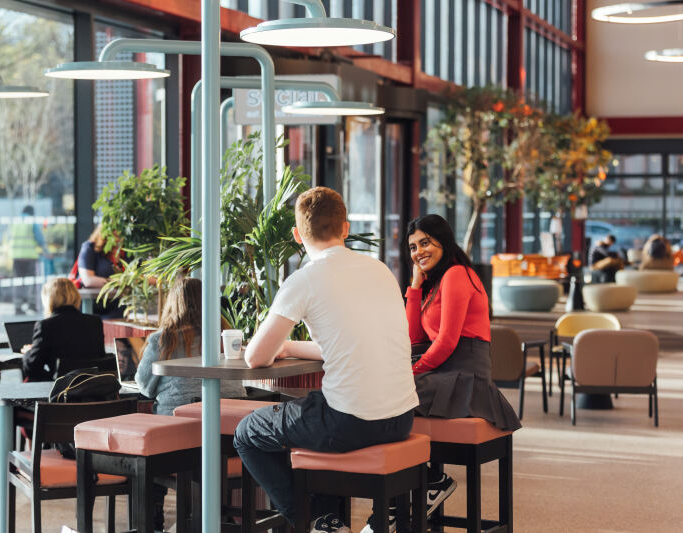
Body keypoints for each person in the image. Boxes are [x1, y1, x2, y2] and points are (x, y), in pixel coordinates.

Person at [233, 187, 419, 533]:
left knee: (248, 431)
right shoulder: (381, 271)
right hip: (402, 416)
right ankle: (327, 519)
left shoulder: (304, 280)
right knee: (314, 411)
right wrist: (290, 347)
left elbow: (256, 357)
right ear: (345, 228)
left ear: (297, 235)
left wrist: (273, 345)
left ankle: (317, 521)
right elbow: (350, 345)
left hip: (351, 422)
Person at [405, 214, 521, 516]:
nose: (419, 252)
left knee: (390, 397)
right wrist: (415, 287)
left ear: (443, 241)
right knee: (388, 398)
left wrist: (412, 372)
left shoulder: (457, 274)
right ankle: (426, 483)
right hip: (443, 374)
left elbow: (447, 342)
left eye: (425, 243)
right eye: (413, 247)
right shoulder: (435, 282)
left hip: (465, 377)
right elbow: (413, 338)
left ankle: (424, 485)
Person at [135, 276, 245, 531]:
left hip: (181, 442)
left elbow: (144, 386)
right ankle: (221, 514)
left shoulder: (163, 339)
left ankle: (155, 519)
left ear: (173, 304)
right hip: (230, 442)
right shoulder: (226, 338)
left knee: (148, 452)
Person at [22, 278, 107, 382]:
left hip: (60, 388)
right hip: (90, 385)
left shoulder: (45, 325)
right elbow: (100, 357)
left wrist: (28, 352)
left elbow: (32, 369)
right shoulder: (95, 322)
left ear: (48, 299)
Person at [76, 224, 123, 317]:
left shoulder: (127, 251)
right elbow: (88, 280)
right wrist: (119, 282)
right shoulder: (90, 248)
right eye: (114, 229)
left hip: (117, 306)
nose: (118, 233)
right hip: (91, 305)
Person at [10, 205, 49, 314]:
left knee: (18, 282)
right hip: (29, 257)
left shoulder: (15, 222)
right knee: (33, 282)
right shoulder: (31, 222)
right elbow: (40, 239)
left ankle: (18, 307)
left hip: (16, 257)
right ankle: (32, 304)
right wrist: (46, 252)